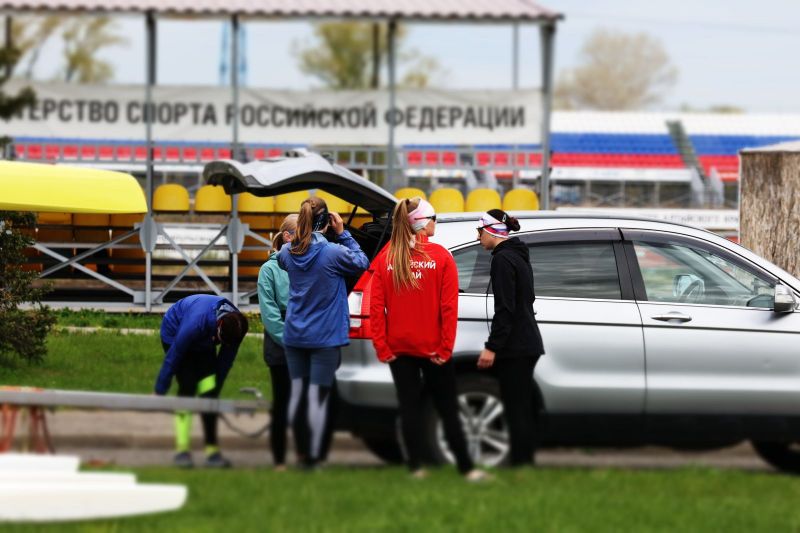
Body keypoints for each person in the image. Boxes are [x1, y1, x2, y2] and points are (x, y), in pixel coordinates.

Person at [370, 197, 489, 482]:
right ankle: (467, 469)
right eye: (433, 217)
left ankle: (415, 468)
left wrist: (382, 347)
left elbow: (375, 308)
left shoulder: (387, 257)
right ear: (422, 223)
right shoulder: (441, 257)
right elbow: (449, 309)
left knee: (409, 408)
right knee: (448, 410)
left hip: (398, 348)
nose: (437, 222)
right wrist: (445, 348)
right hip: (435, 349)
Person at [278, 196, 369, 468]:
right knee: (318, 397)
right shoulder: (333, 252)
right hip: (325, 337)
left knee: (297, 394)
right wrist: (343, 233)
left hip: (295, 335)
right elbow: (362, 262)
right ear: (327, 222)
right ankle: (313, 457)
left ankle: (299, 450)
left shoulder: (288, 252)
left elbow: (282, 258)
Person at [476, 209, 544, 466]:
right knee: (522, 407)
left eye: (480, 231)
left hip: (515, 345)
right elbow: (527, 298)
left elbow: (505, 309)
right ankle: (524, 462)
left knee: (515, 408)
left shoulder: (502, 260)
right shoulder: (518, 255)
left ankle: (519, 463)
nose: (478, 237)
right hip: (528, 341)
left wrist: (492, 347)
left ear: (492, 231)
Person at [155, 294, 249, 468]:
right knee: (188, 388)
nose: (221, 344)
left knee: (208, 390)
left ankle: (212, 450)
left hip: (205, 340)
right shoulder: (195, 323)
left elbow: (225, 361)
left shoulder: (238, 326)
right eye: (221, 341)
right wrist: (160, 388)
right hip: (175, 333)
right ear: (219, 327)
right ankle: (182, 450)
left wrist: (214, 391)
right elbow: (175, 354)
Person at [257, 214, 311, 470]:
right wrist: (290, 340)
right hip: (281, 345)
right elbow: (269, 314)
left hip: (305, 341)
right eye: (303, 233)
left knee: (303, 402)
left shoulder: (308, 263)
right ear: (288, 237)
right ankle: (279, 459)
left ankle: (303, 455)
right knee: (282, 402)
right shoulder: (268, 270)